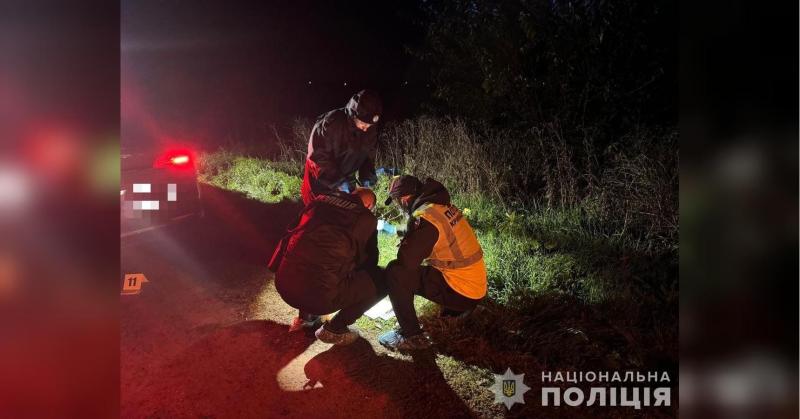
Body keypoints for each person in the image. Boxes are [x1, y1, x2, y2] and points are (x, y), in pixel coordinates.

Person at [378, 176, 487, 351]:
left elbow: (406, 262)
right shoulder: (439, 206)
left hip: (462, 292)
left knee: (395, 273)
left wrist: (409, 242)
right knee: (409, 271)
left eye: (399, 201)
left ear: (405, 199)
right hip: (475, 286)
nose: (401, 205)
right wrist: (404, 233)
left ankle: (411, 335)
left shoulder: (425, 219)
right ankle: (456, 311)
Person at [274, 187, 386, 345]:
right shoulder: (365, 218)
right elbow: (369, 263)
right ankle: (335, 329)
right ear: (368, 205)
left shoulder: (319, 201)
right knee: (382, 278)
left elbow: (291, 232)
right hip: (320, 298)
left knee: (313, 260)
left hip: (284, 285)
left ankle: (305, 319)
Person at [301, 89, 382, 205]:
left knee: (345, 213)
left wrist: (367, 176)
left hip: (346, 179)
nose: (366, 128)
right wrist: (339, 182)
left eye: (369, 125)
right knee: (318, 217)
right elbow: (317, 157)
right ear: (354, 115)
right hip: (321, 182)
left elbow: (367, 154)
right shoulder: (331, 123)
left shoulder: (369, 130)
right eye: (363, 124)